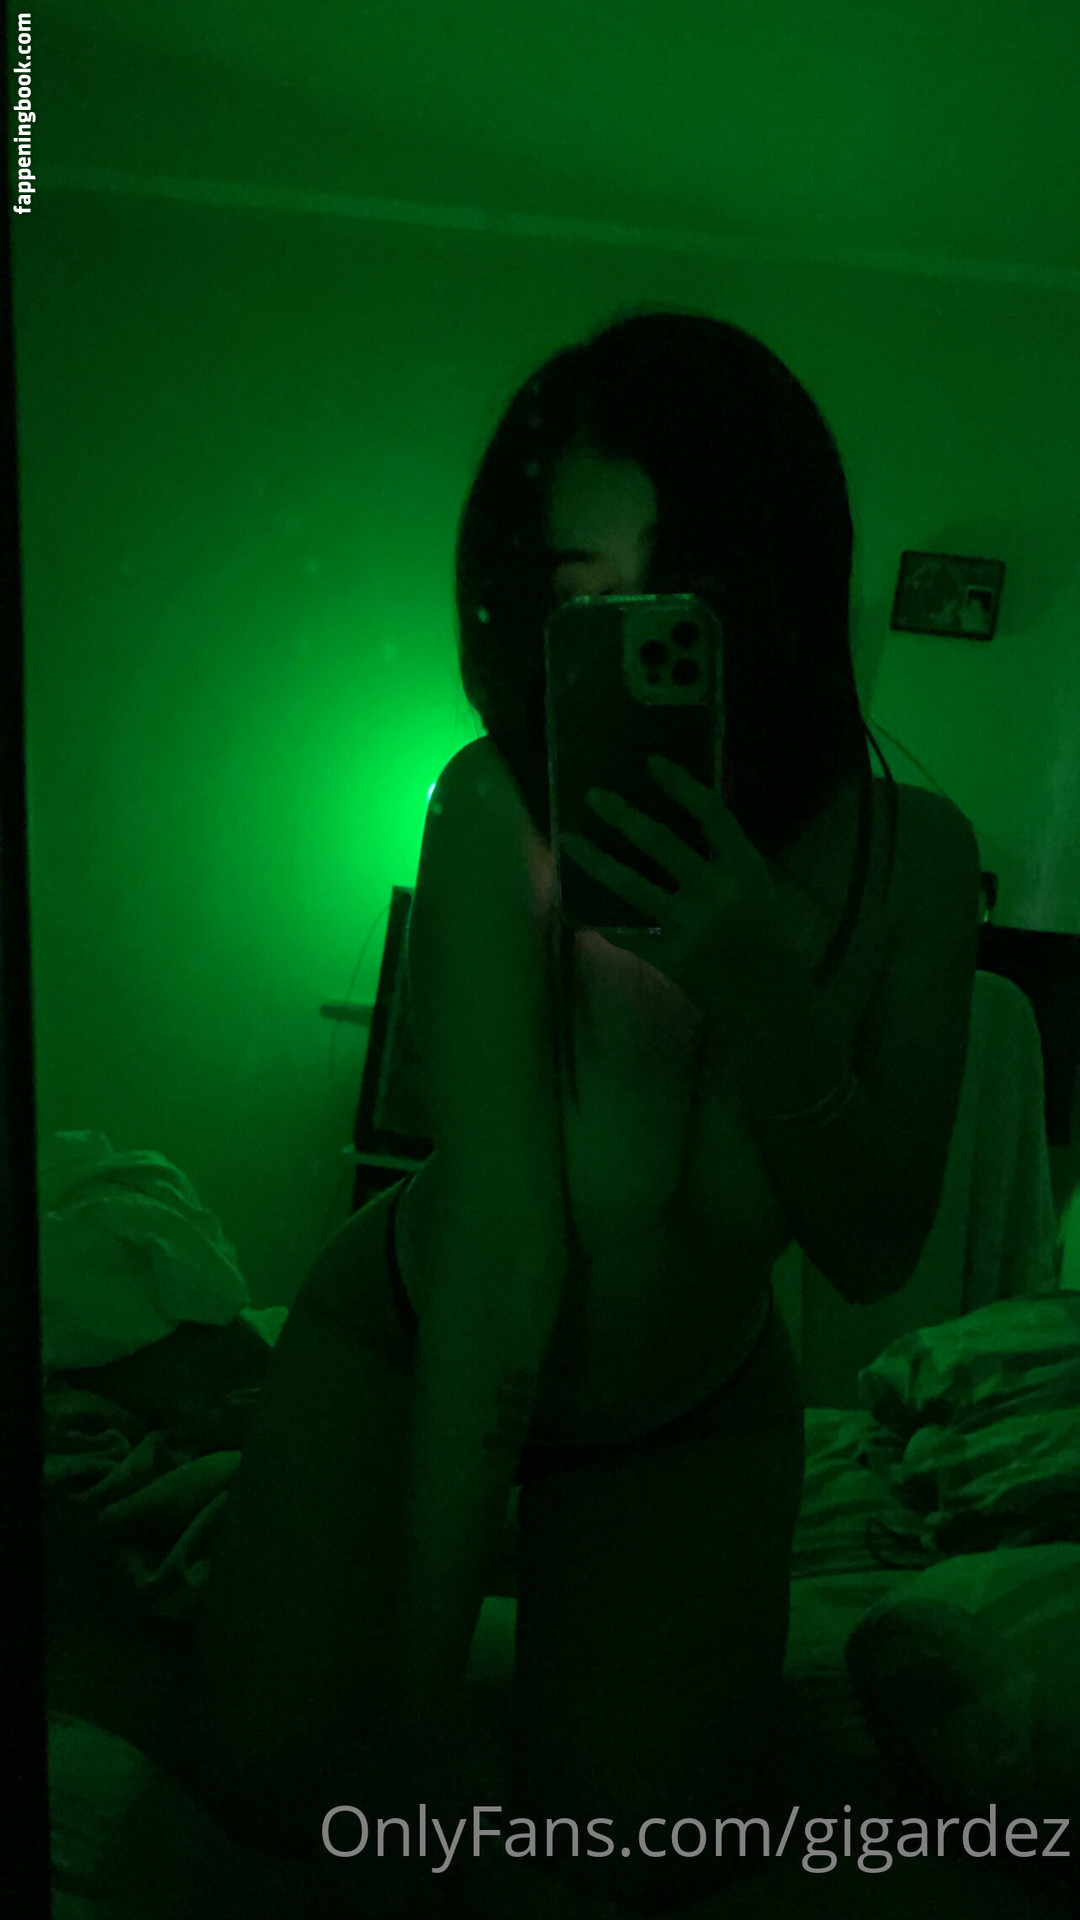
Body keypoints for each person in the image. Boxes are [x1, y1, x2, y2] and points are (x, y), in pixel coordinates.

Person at [182, 308, 980, 1916]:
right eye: (576, 595)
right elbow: (499, 1252)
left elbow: (878, 1246)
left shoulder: (917, 862)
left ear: (772, 585)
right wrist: (418, 1699)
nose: (624, 639)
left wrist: (762, 991)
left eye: (675, 592)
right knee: (275, 1788)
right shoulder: (493, 811)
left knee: (639, 1861)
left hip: (691, 1409)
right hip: (415, 1334)